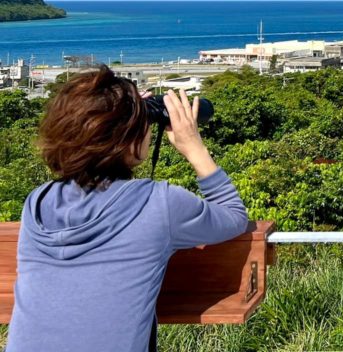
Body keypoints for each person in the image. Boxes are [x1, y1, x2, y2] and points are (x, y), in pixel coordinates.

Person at [6, 65, 249, 352]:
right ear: (129, 138)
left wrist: (121, 106)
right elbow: (234, 216)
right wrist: (193, 147)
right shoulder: (159, 203)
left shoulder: (38, 203)